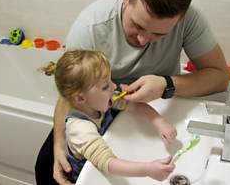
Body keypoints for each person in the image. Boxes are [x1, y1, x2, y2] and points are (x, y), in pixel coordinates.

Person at [35, 0, 229, 185]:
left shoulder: (190, 17)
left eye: (159, 35)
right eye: (138, 26)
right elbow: (69, 93)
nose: (144, 40)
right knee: (46, 167)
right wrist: (60, 145)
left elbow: (219, 77)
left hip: (148, 100)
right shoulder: (90, 27)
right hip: (98, 103)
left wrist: (165, 85)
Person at [37, 49, 177, 183]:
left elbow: (135, 106)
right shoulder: (79, 128)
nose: (113, 86)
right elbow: (108, 162)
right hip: (89, 177)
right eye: (105, 86)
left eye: (110, 80)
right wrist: (147, 169)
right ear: (80, 98)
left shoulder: (98, 102)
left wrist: (160, 123)